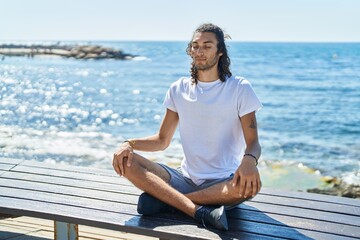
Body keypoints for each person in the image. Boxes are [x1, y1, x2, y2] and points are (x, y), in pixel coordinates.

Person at [112, 23, 262, 231]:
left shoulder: (239, 88)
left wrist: (249, 161)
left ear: (220, 52)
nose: (199, 51)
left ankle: (169, 202)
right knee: (126, 160)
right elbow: (161, 141)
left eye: (207, 46)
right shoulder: (178, 89)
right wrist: (128, 143)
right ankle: (197, 210)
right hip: (185, 178)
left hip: (223, 183)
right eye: (195, 46)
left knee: (250, 187)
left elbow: (253, 143)